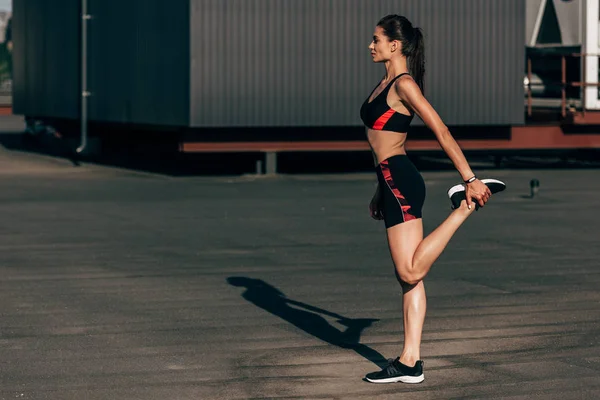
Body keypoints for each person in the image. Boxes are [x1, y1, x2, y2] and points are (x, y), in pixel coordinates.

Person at [359, 15, 505, 384]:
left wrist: (469, 178)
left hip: (400, 180)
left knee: (410, 270)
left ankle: (465, 206)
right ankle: (410, 362)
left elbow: (439, 129)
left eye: (376, 39)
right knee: (409, 280)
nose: (370, 45)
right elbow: (384, 145)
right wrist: (380, 190)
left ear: (395, 45)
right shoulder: (385, 82)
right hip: (391, 181)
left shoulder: (404, 84)